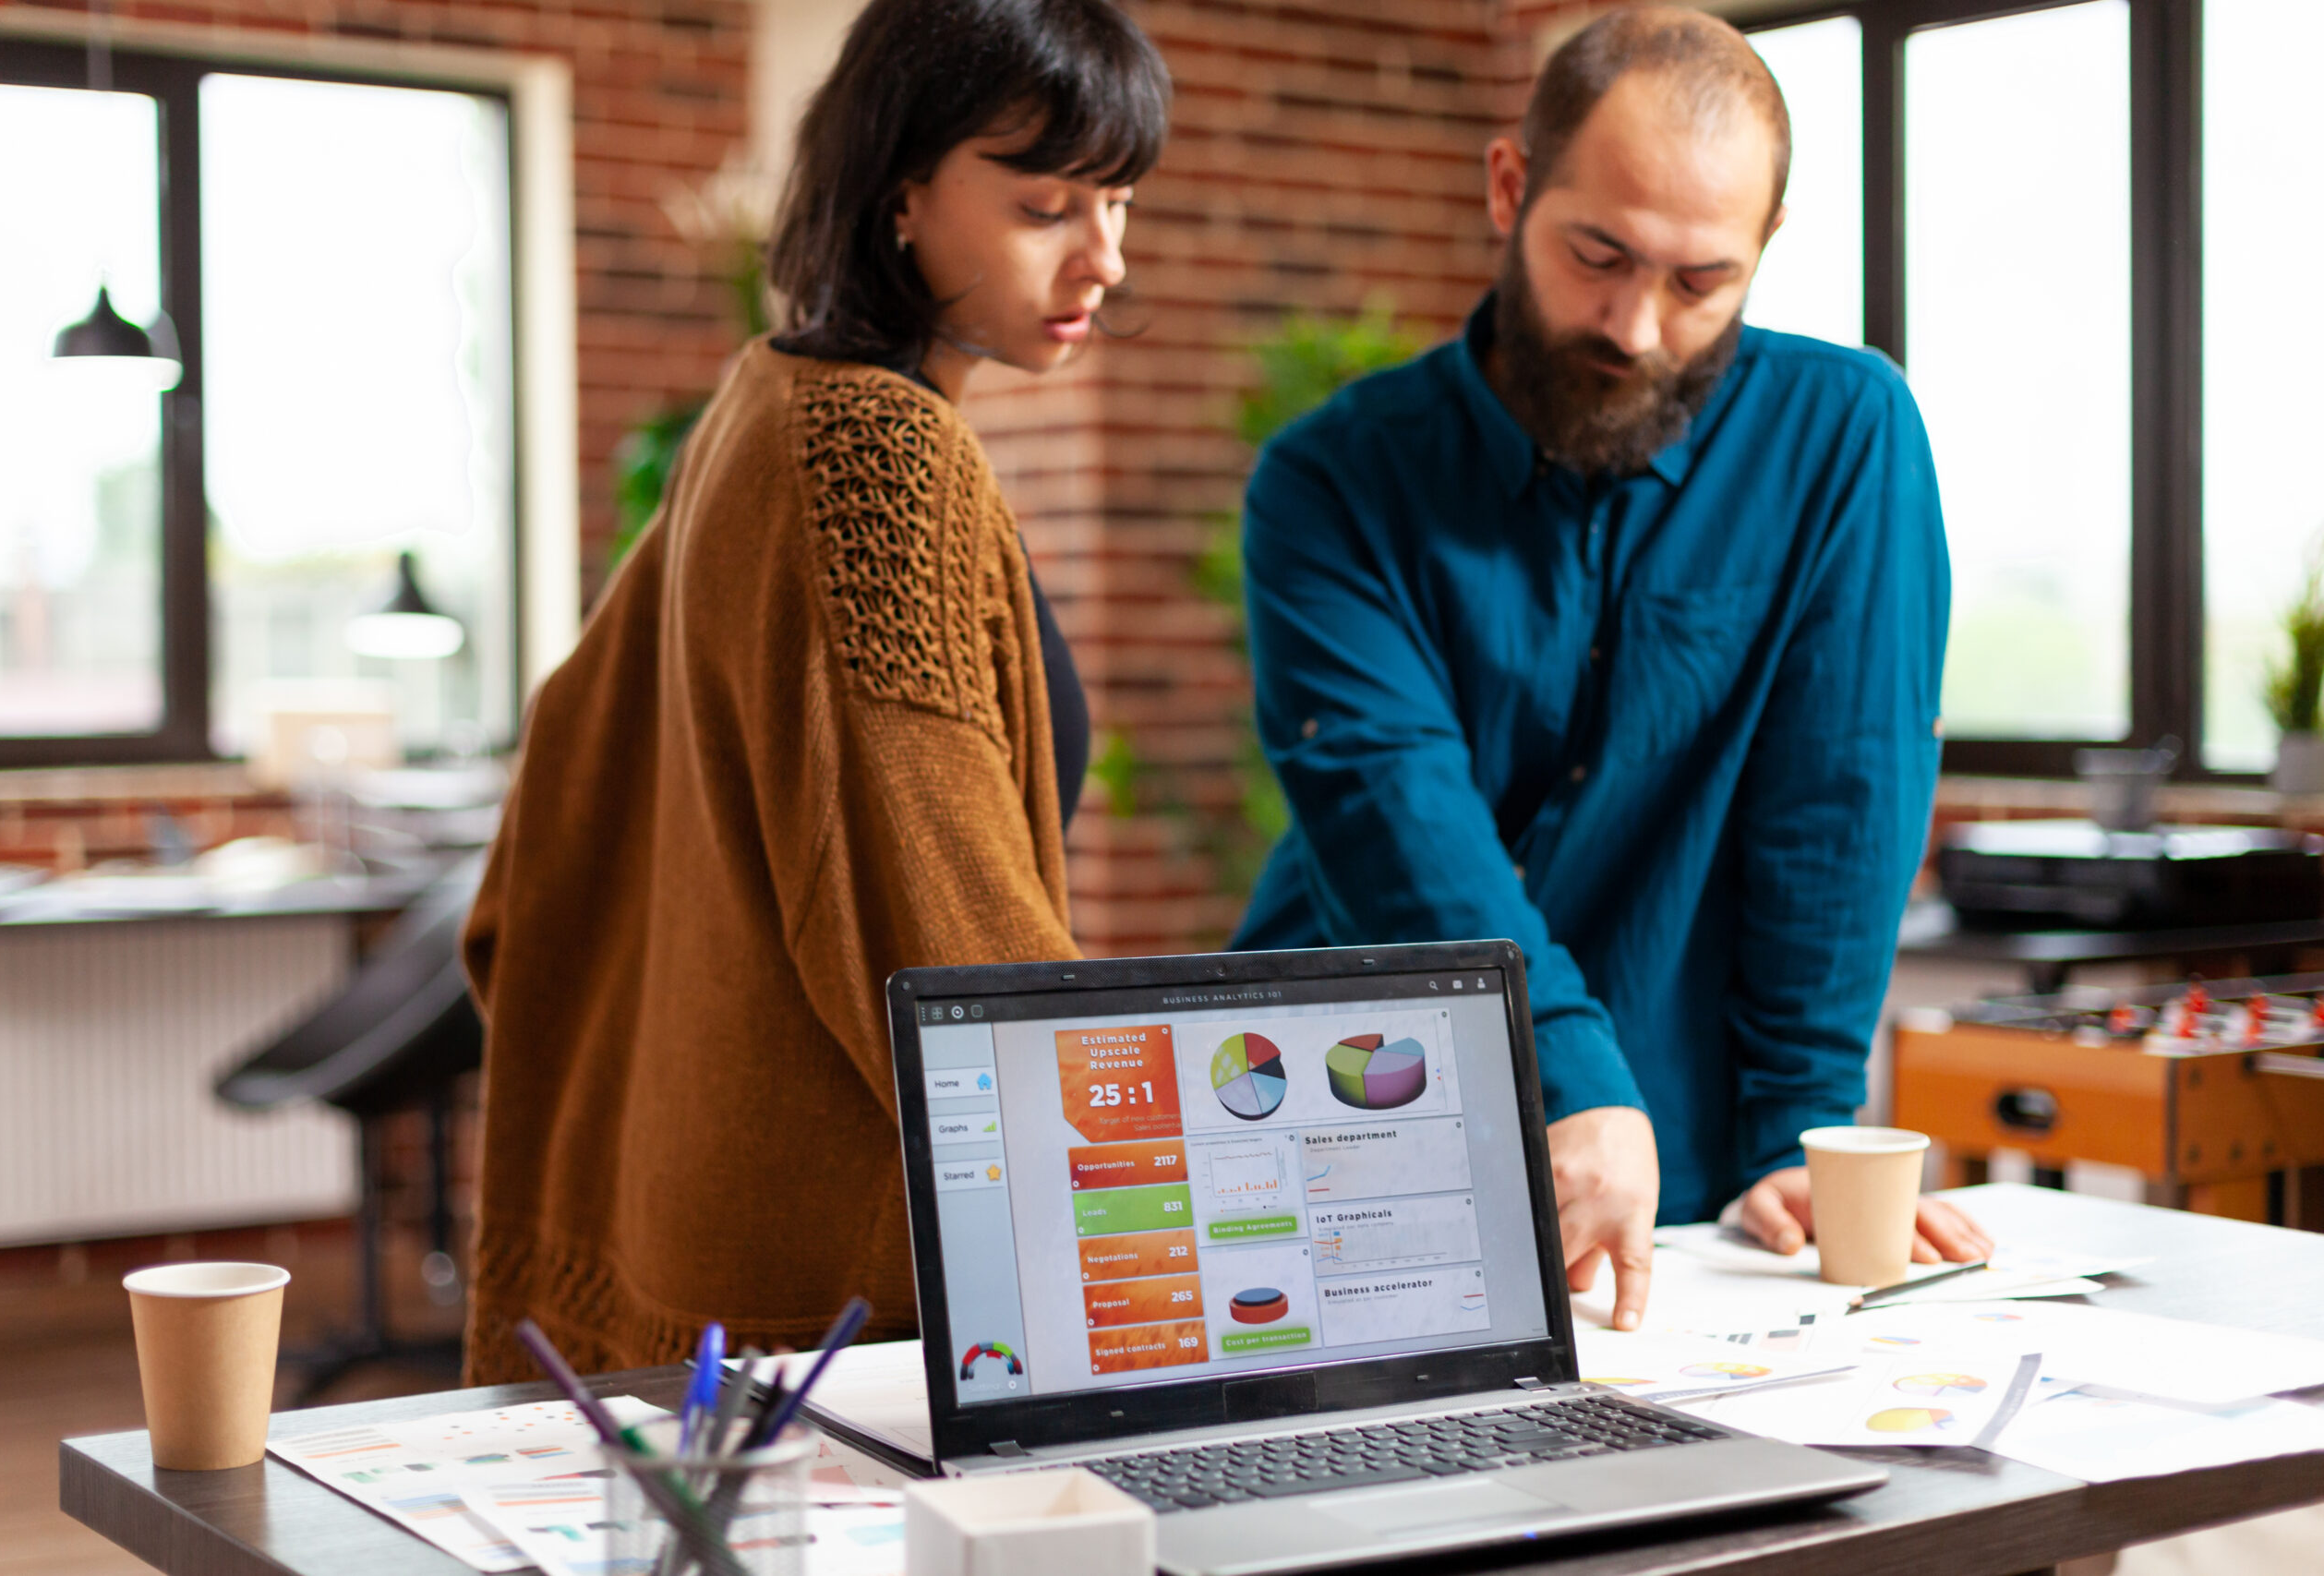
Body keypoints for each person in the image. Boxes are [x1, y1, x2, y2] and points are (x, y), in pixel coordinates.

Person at [1229, 6, 1989, 1333]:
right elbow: (1400, 817)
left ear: (1763, 255)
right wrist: (1569, 1075)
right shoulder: (1331, 481)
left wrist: (1795, 1131)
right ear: (1511, 186)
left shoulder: (1845, 441)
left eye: (1702, 283)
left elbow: (1838, 808)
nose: (1636, 327)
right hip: (1346, 1125)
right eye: (1600, 256)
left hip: (1684, 1180)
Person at [460, 0, 1169, 1384]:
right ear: (901, 192)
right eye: (1045, 205)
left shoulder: (758, 401)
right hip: (840, 1320)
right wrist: (1168, 1181)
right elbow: (958, 944)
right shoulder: (877, 455)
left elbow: (539, 839)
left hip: (688, 1254)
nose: (1106, 259)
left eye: (1120, 203)